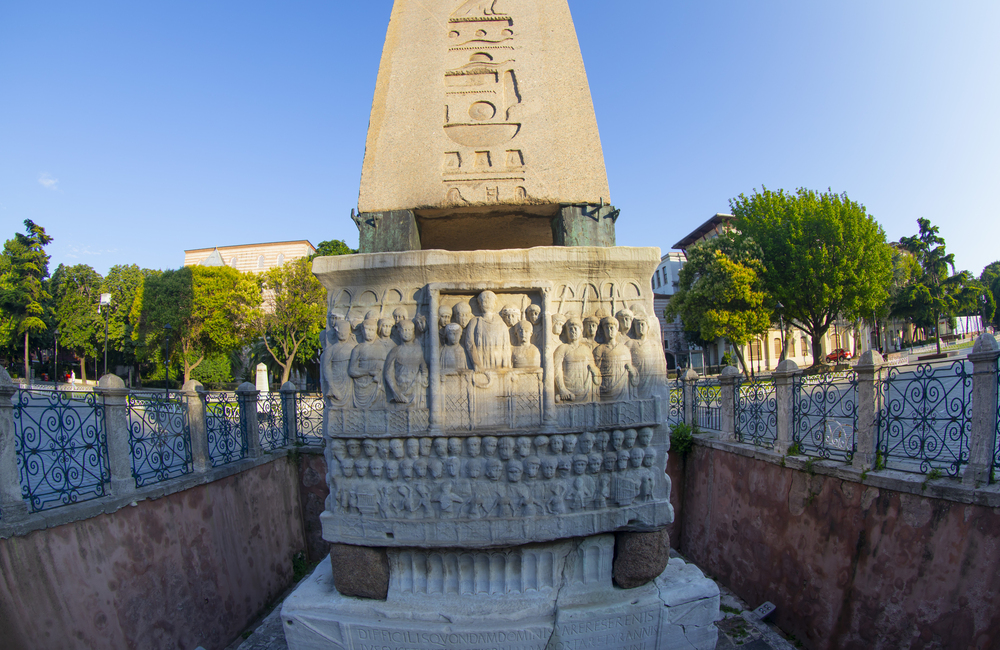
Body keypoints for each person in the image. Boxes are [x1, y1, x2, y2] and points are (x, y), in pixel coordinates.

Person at [553, 317, 600, 403]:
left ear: (581, 330)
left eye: (575, 328)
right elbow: (557, 370)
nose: (573, 331)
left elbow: (594, 370)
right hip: (567, 393)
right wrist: (562, 389)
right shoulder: (562, 349)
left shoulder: (586, 350)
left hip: (585, 391)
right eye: (570, 329)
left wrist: (594, 372)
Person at [463, 290, 511, 370]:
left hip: (498, 364)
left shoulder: (501, 324)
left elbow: (506, 347)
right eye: (484, 300)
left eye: (490, 300)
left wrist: (505, 366)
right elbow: (469, 343)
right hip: (480, 363)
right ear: (479, 304)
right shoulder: (475, 322)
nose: (487, 302)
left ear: (495, 304)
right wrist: (476, 362)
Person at [594, 317, 636, 401]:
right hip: (606, 388)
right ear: (603, 330)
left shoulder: (624, 349)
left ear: (617, 329)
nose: (610, 331)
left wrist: (632, 371)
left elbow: (631, 370)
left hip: (622, 389)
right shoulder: (599, 349)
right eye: (607, 328)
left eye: (612, 328)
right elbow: (596, 370)